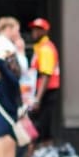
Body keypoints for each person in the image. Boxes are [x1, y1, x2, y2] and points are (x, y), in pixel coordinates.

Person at [28, 17, 60, 147]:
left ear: (45, 32)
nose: (34, 32)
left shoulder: (45, 49)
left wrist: (37, 99)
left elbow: (46, 75)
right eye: (33, 29)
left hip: (46, 93)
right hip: (43, 93)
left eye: (38, 30)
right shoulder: (40, 47)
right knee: (41, 128)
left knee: (42, 128)